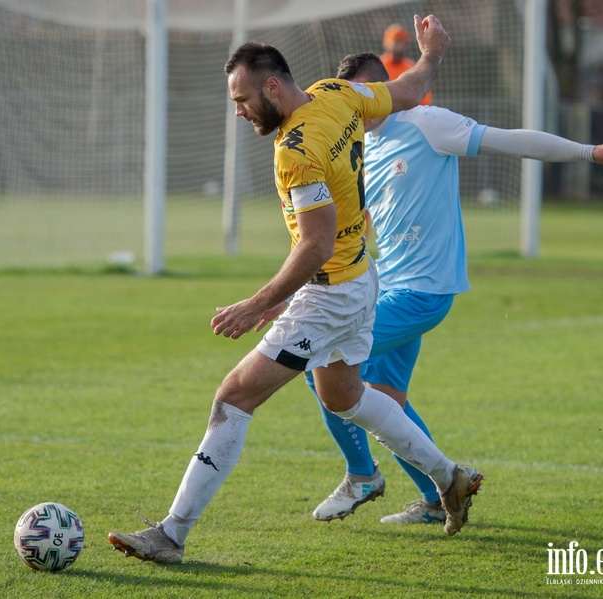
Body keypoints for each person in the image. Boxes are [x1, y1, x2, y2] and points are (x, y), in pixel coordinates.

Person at [108, 15, 484, 565]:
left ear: (273, 87)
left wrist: (256, 303)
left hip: (331, 294)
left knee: (234, 396)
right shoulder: (338, 94)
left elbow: (314, 243)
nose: (237, 109)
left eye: (241, 98)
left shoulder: (295, 151)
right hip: (360, 279)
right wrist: (432, 56)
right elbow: (405, 92)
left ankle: (171, 534)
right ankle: (449, 477)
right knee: (345, 397)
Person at [308, 51, 603, 525]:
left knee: (320, 360)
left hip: (423, 292)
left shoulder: (427, 122)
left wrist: (587, 152)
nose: (358, 105)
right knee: (383, 395)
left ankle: (362, 474)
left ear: (384, 88)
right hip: (386, 287)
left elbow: (510, 141)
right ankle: (434, 496)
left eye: (363, 94)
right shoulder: (362, 144)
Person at [380, 23, 432, 106]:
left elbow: (424, 100)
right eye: (394, 41)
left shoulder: (412, 67)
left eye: (400, 42)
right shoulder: (378, 65)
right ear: (386, 42)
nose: (396, 45)